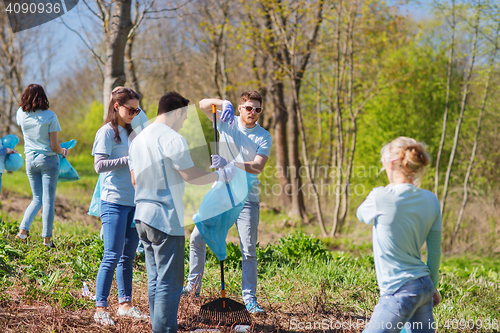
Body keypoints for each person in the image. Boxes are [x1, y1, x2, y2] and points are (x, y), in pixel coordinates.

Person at [128, 91, 236, 333]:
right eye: (184, 117)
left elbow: (134, 180)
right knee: (171, 283)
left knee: (155, 280)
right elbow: (190, 175)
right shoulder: (172, 138)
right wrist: (220, 174)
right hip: (165, 218)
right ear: (176, 112)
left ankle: (159, 328)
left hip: (142, 217)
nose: (185, 122)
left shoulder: (138, 138)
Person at [185, 91, 272, 314]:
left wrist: (232, 164)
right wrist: (223, 103)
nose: (253, 113)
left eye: (258, 109)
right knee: (197, 237)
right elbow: (203, 104)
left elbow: (258, 166)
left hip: (247, 198)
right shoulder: (227, 122)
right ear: (241, 108)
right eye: (249, 108)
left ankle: (249, 299)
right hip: (221, 193)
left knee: (248, 250)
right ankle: (193, 288)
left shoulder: (263, 136)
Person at [357, 137, 442, 333]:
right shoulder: (431, 200)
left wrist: (384, 192)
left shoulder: (380, 196)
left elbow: (361, 215)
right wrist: (432, 289)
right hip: (424, 287)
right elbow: (435, 252)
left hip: (398, 292)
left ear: (391, 163)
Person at [92, 87, 147, 325]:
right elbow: (99, 166)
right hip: (113, 201)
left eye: (138, 109)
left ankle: (125, 304)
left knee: (128, 256)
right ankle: (101, 307)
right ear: (117, 107)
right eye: (131, 109)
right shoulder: (106, 133)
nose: (135, 113)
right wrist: (129, 159)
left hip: (134, 202)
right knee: (111, 255)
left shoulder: (135, 132)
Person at [16, 84, 69, 248]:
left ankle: (22, 233)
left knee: (37, 198)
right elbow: (54, 147)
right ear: (43, 97)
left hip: (30, 160)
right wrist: (63, 151)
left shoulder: (20, 114)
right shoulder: (50, 116)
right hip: (48, 161)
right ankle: (47, 240)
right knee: (48, 201)